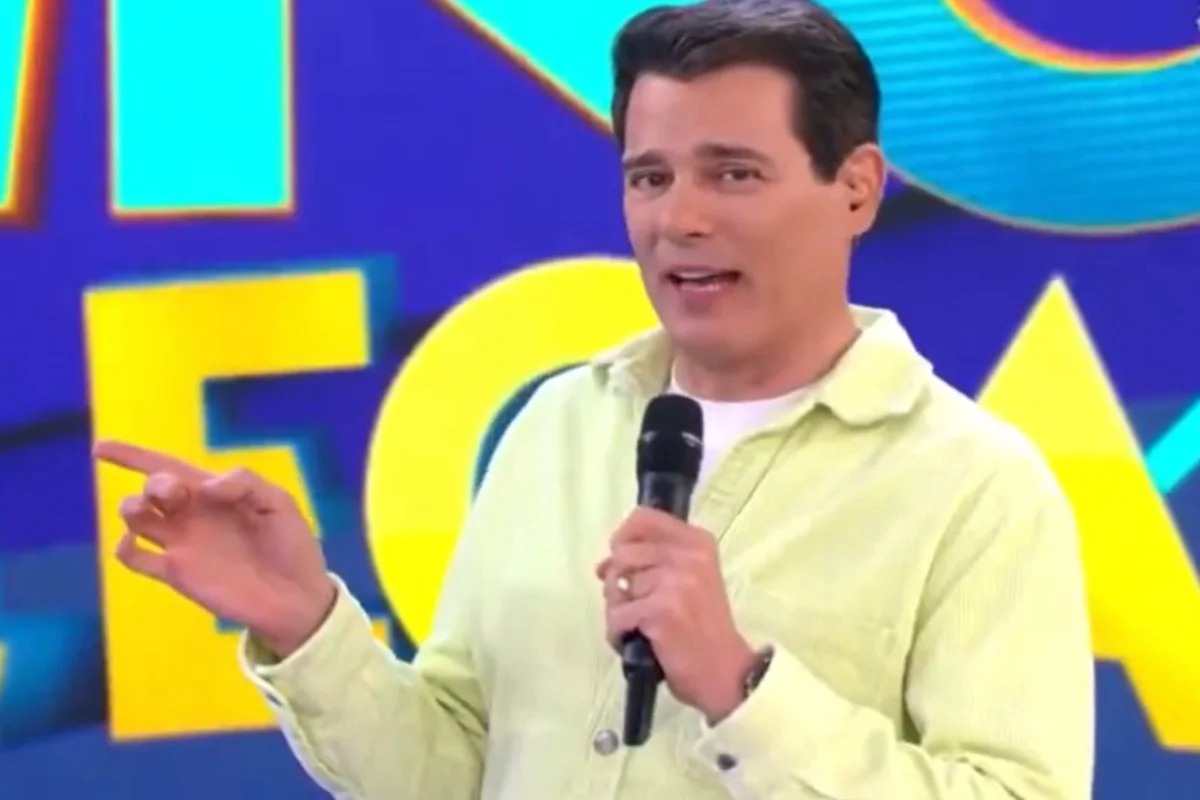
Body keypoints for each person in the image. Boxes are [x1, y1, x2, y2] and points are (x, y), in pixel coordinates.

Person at [92, 1, 1095, 798]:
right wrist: (308, 626)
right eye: (650, 178)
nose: (679, 219)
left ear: (858, 188)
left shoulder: (974, 487)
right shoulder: (555, 427)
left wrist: (742, 687)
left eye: (733, 174)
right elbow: (453, 775)